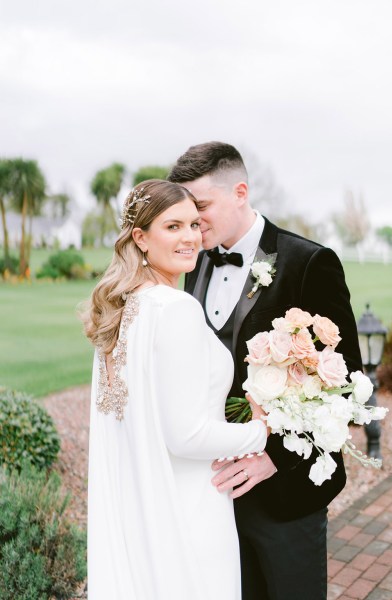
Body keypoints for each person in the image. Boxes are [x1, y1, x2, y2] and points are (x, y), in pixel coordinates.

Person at [168, 142, 363, 600]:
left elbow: (346, 384)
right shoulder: (194, 266)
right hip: (214, 494)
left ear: (240, 191)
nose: (194, 223)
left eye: (201, 207)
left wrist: (276, 458)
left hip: (285, 495)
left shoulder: (308, 263)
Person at [82, 179, 268, 600]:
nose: (190, 237)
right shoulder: (177, 309)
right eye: (173, 227)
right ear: (141, 238)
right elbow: (188, 435)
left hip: (141, 512)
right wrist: (261, 430)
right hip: (191, 512)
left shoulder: (122, 307)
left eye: (193, 224)